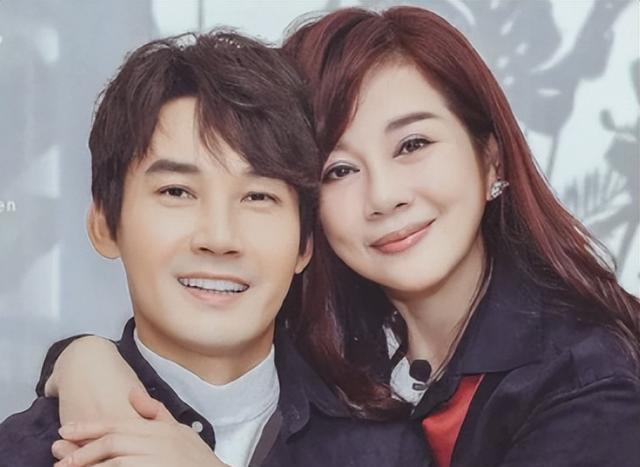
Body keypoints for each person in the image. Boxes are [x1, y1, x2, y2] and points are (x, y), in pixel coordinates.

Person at [23, 5, 640, 467]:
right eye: (339, 170)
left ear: (491, 159)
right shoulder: (336, 341)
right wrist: (85, 360)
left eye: (413, 144)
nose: (385, 195)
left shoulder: (588, 381)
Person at [0, 29, 431, 467]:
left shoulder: (387, 453)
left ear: (304, 245)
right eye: (177, 192)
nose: (220, 238)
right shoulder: (23, 453)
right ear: (106, 226)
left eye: (258, 196)